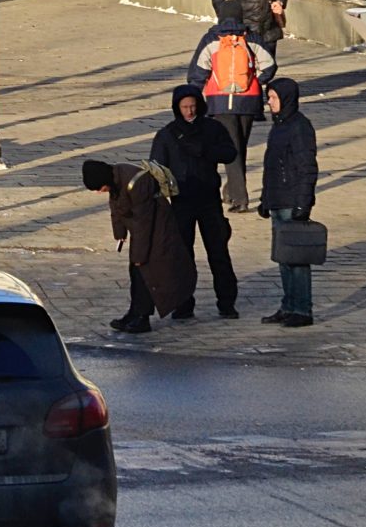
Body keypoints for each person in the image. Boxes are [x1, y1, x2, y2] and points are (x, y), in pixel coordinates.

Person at [150, 84, 241, 317]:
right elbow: (156, 168)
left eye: (192, 106)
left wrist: (205, 150)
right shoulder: (167, 134)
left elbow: (230, 153)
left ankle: (227, 302)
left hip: (209, 199)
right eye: (184, 107)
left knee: (218, 252)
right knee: (182, 254)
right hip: (181, 202)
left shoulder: (212, 128)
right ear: (176, 108)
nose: (189, 111)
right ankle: (183, 303)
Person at [85, 157, 193, 334]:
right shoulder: (116, 179)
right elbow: (116, 209)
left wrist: (139, 257)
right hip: (142, 229)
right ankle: (134, 313)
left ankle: (143, 317)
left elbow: (144, 223)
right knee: (137, 272)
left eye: (99, 188)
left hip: (157, 229)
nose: (99, 192)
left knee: (146, 272)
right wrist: (119, 234)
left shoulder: (136, 182)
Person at [189, 18, 274, 212]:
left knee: (232, 148)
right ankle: (231, 191)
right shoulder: (252, 38)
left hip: (219, 101)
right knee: (239, 146)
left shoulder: (211, 39)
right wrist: (254, 80)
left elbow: (199, 71)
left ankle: (239, 198)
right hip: (249, 101)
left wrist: (195, 95)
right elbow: (269, 66)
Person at [257, 77, 319, 326]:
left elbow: (307, 168)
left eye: (272, 97)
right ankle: (289, 305)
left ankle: (302, 309)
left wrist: (304, 204)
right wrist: (265, 199)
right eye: (268, 97)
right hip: (277, 200)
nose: (268, 102)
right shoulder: (279, 125)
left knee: (297, 258)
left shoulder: (299, 127)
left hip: (292, 201)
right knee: (284, 256)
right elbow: (272, 167)